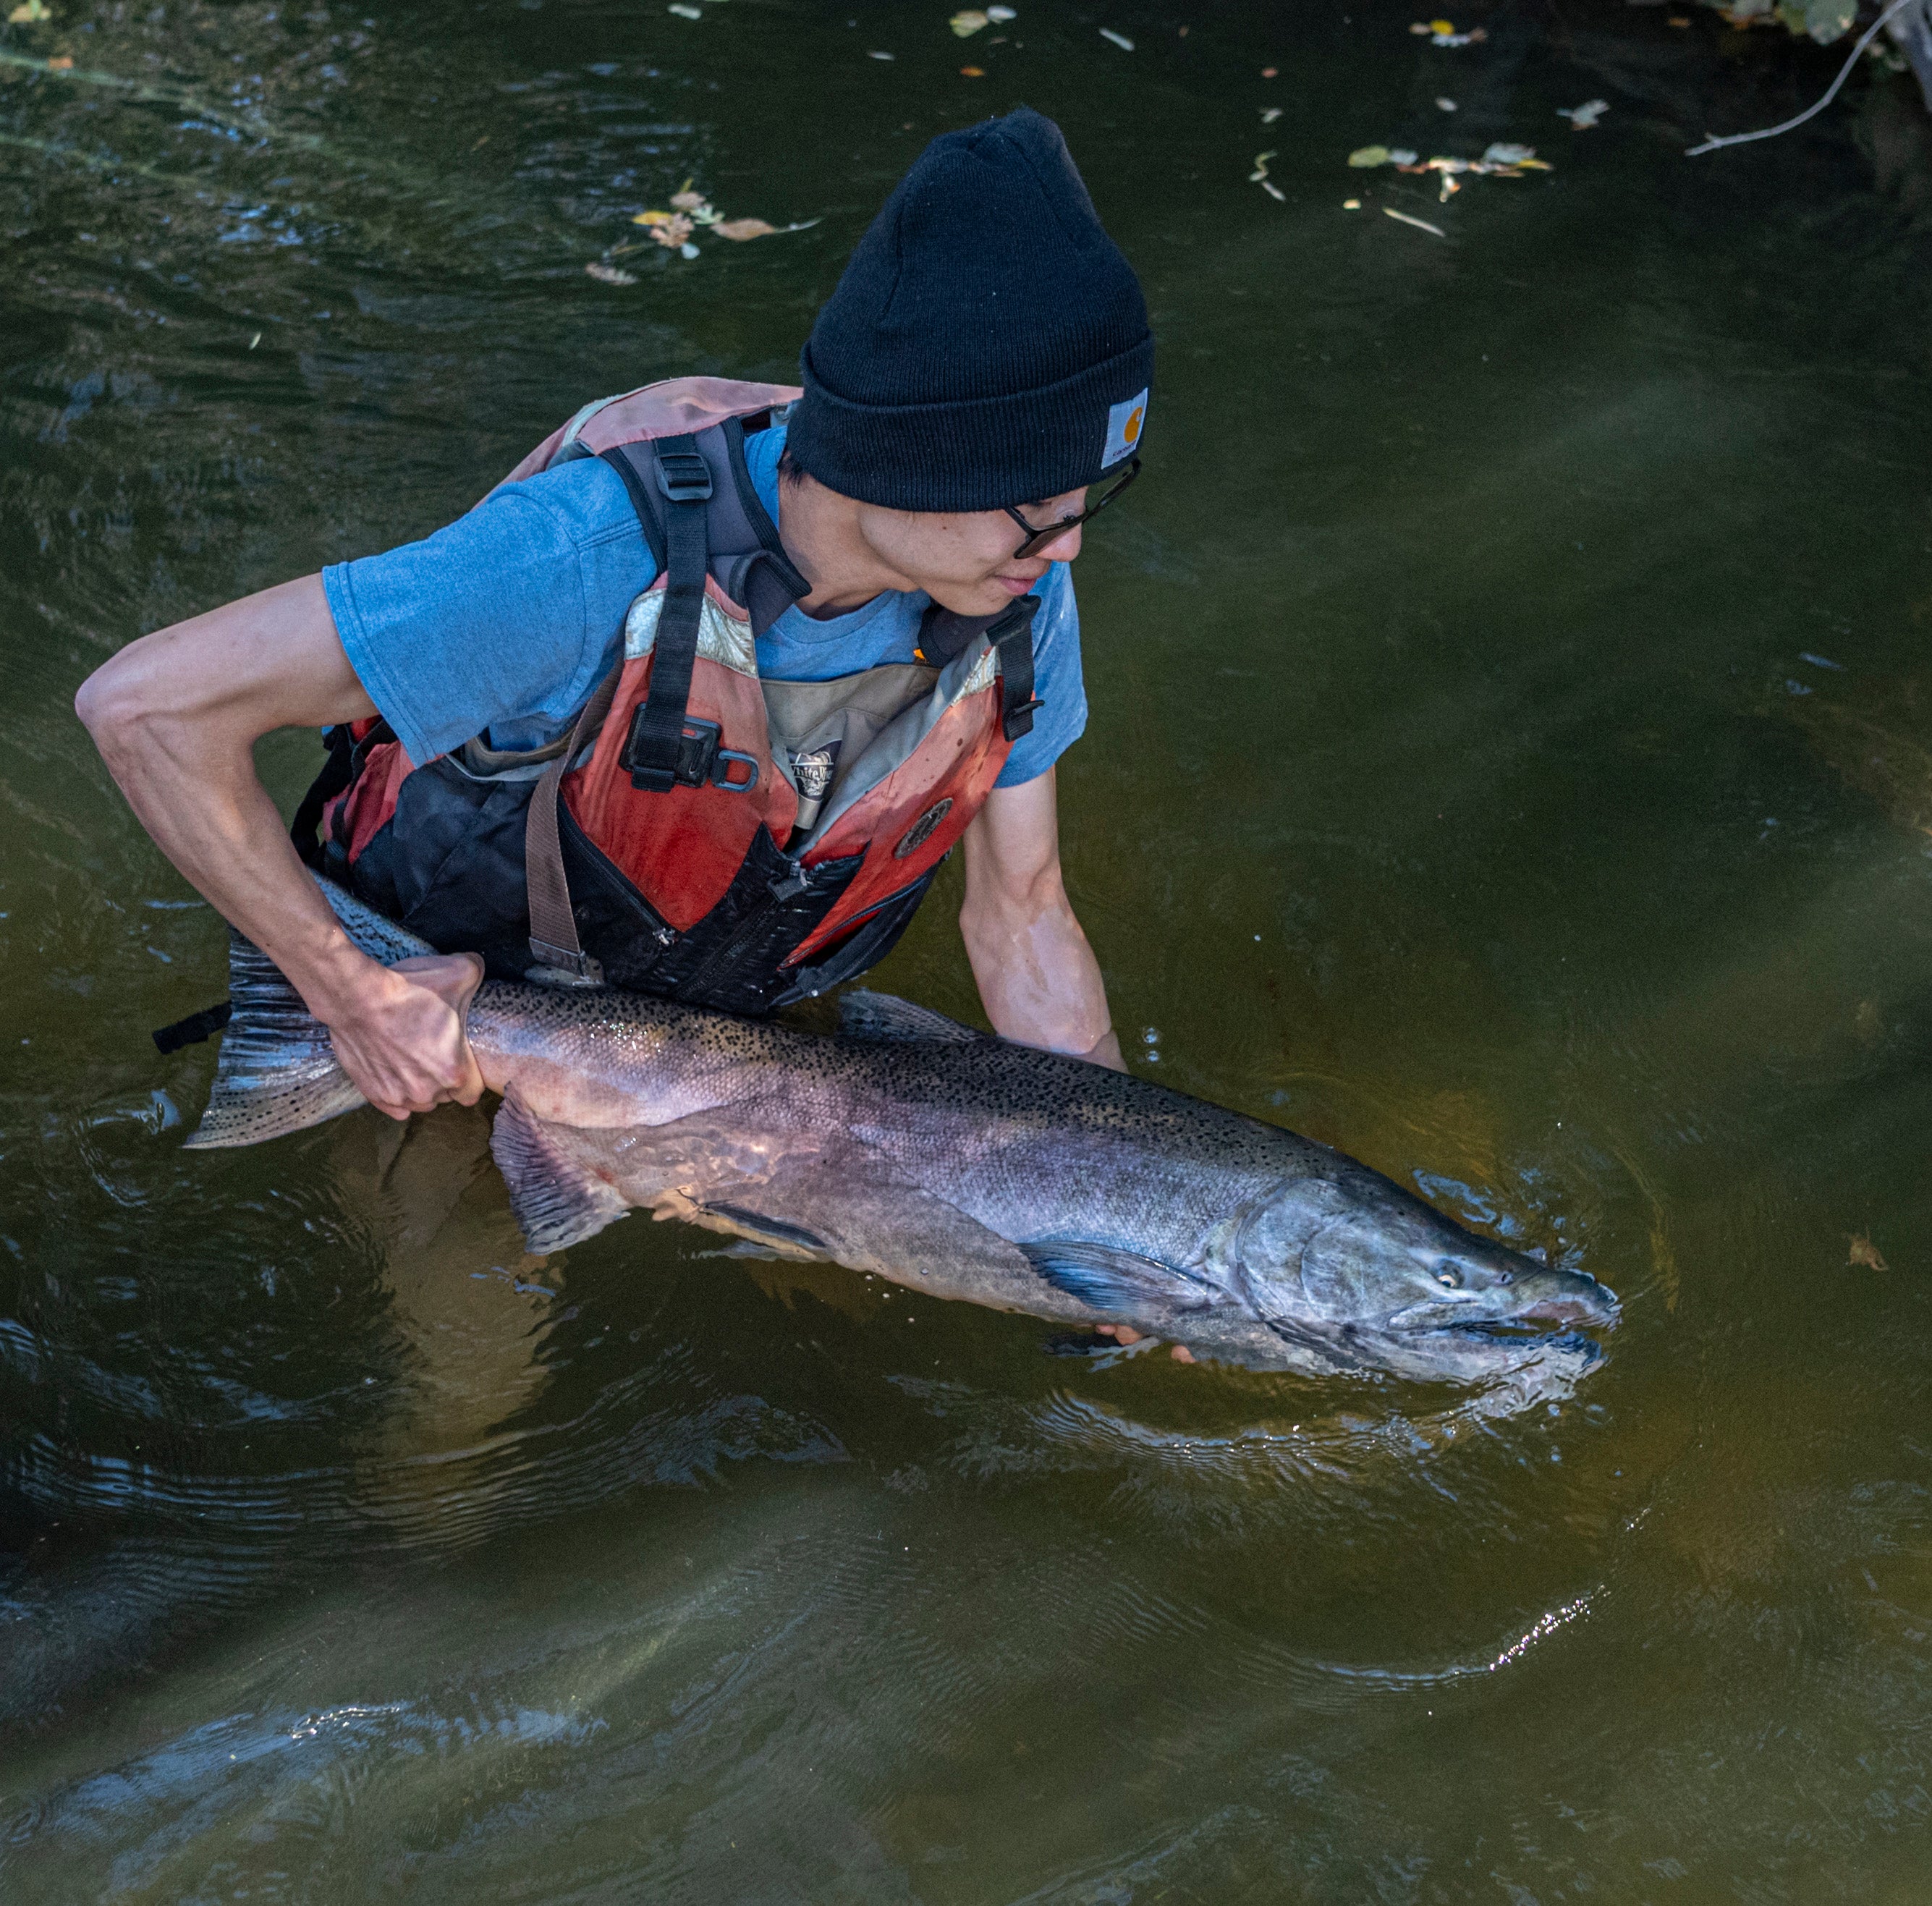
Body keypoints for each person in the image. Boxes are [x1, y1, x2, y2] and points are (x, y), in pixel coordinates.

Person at [75, 106, 1153, 1127]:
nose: (1066, 550)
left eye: (1087, 502)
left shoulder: (1007, 587)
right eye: (1037, 513)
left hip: (714, 1042)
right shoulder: (577, 559)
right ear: (906, 463)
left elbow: (1022, 915)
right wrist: (350, 994)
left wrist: (1134, 1202)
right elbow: (146, 708)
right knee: (481, 1299)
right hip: (451, 1020)